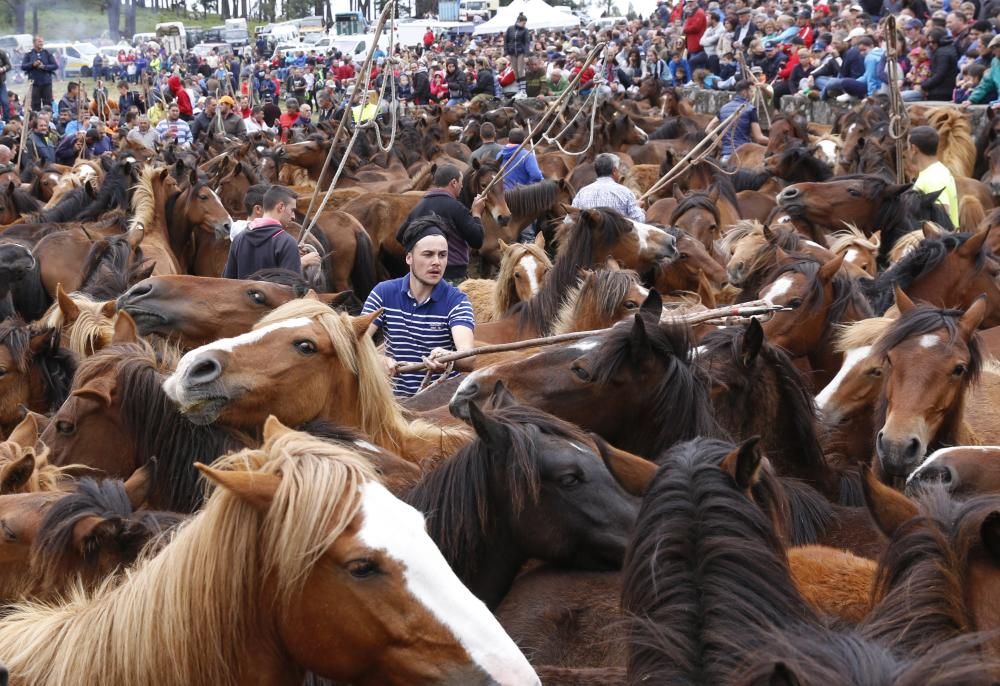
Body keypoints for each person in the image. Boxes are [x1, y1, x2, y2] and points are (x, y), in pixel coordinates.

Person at [362, 215, 477, 398]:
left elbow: (468, 357)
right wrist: (376, 358)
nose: (436, 262)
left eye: (442, 255)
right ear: (409, 258)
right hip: (395, 402)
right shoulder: (383, 293)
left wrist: (448, 357)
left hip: (440, 404)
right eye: (428, 254)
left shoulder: (457, 301)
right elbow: (356, 339)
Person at [395, 164, 486, 283]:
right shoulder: (456, 208)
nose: (462, 186)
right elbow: (477, 240)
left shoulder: (419, 206)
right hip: (452, 276)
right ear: (453, 183)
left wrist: (422, 253)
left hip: (423, 277)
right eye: (460, 182)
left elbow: (400, 236)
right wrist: (477, 214)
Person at [223, 185, 320, 279]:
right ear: (281, 207)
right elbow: (289, 288)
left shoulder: (239, 239)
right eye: (292, 210)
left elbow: (228, 281)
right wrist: (300, 263)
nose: (293, 216)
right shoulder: (286, 242)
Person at [571, 152, 646, 222]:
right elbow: (640, 220)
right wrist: (638, 208)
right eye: (618, 169)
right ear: (614, 171)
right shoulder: (625, 192)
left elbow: (569, 220)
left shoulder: (582, 193)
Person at [909, 126, 959, 227]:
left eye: (908, 147)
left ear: (914, 149)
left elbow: (942, 216)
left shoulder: (932, 178)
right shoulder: (939, 170)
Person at [709, 80, 768, 164]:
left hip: (725, 157)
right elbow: (759, 138)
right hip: (742, 156)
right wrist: (775, 142)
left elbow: (709, 129)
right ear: (744, 92)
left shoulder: (724, 108)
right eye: (751, 91)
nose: (752, 94)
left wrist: (721, 145)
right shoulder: (750, 109)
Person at [21, 36, 58, 111]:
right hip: (34, 83)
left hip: (46, 83)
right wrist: (32, 64)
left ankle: (48, 119)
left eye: (42, 41)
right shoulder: (29, 54)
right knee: (35, 104)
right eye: (39, 41)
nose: (41, 43)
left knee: (47, 104)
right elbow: (23, 66)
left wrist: (44, 67)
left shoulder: (47, 53)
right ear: (34, 43)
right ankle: (36, 120)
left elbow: (55, 65)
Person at [504, 13, 531, 93]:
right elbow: (506, 41)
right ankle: (519, 90)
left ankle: (523, 90)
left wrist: (526, 55)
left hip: (521, 52)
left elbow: (527, 42)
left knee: (520, 70)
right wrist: (506, 53)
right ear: (519, 21)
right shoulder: (510, 29)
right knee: (515, 71)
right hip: (512, 52)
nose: (524, 25)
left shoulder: (525, 30)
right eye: (524, 23)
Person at [0, 45, 10, 121]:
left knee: (5, 102)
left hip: (1, 84)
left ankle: (6, 121)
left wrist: (3, 69)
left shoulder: (1, 52)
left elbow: (9, 65)